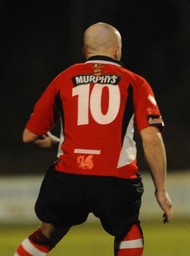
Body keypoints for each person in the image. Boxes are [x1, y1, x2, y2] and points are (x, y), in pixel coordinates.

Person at [14, 22, 173, 256]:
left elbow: (29, 135)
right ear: (117, 49)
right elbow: (151, 137)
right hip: (115, 180)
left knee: (48, 232)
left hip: (68, 178)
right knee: (128, 229)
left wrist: (60, 143)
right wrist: (161, 190)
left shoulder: (64, 78)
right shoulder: (135, 82)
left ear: (84, 51)